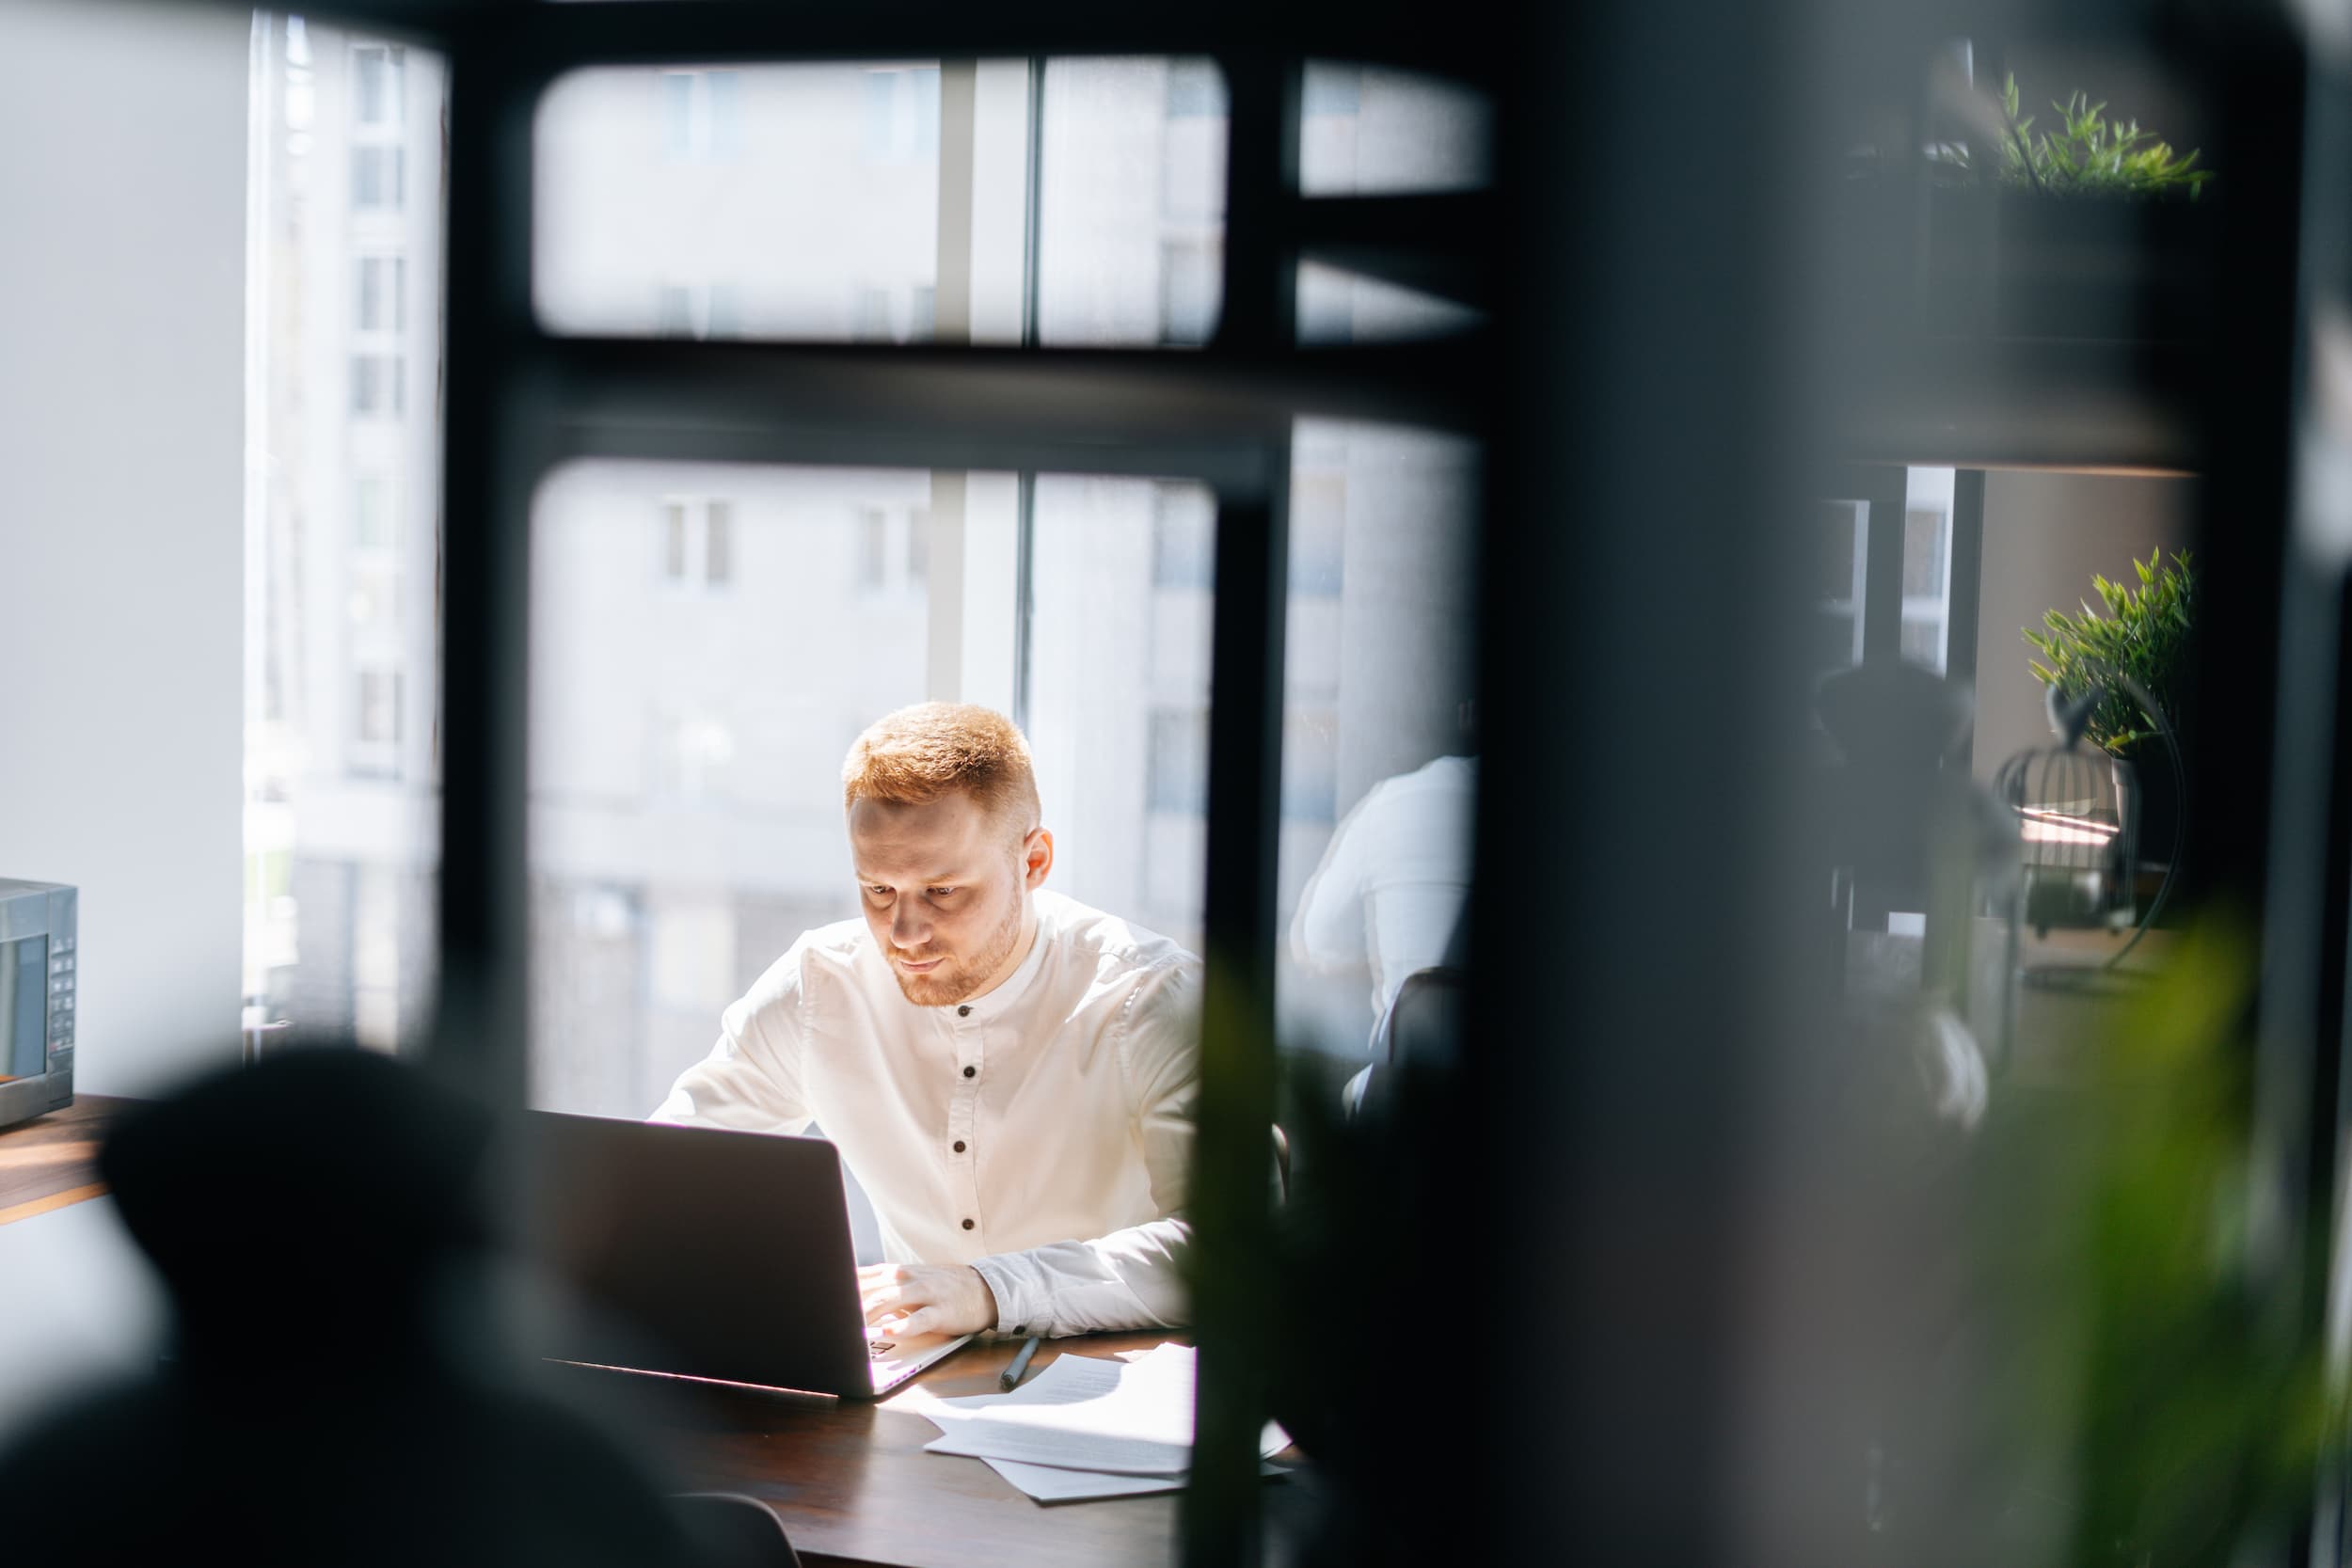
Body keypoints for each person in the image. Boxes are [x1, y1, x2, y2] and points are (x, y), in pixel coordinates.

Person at [654, 703, 1200, 1341]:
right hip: (910, 1389)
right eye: (878, 891)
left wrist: (995, 1290)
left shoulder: (1150, 994)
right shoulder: (820, 985)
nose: (904, 933)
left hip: (1115, 1385)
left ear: (1034, 861)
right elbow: (664, 1176)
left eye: (943, 891)